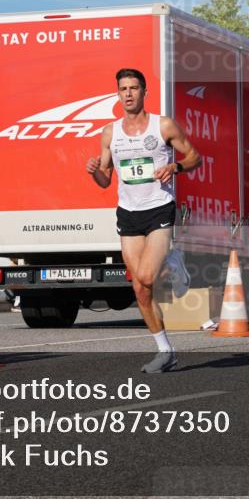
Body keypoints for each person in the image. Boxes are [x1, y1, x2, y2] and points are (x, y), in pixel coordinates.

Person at [86, 68, 201, 373]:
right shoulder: (110, 133)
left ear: (144, 92)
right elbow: (105, 179)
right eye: (123, 89)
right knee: (140, 288)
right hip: (128, 213)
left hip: (159, 208)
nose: (128, 94)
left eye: (133, 88)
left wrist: (175, 167)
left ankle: (174, 261)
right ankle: (165, 351)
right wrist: (94, 170)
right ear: (118, 94)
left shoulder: (162, 126)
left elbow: (194, 157)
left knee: (148, 276)